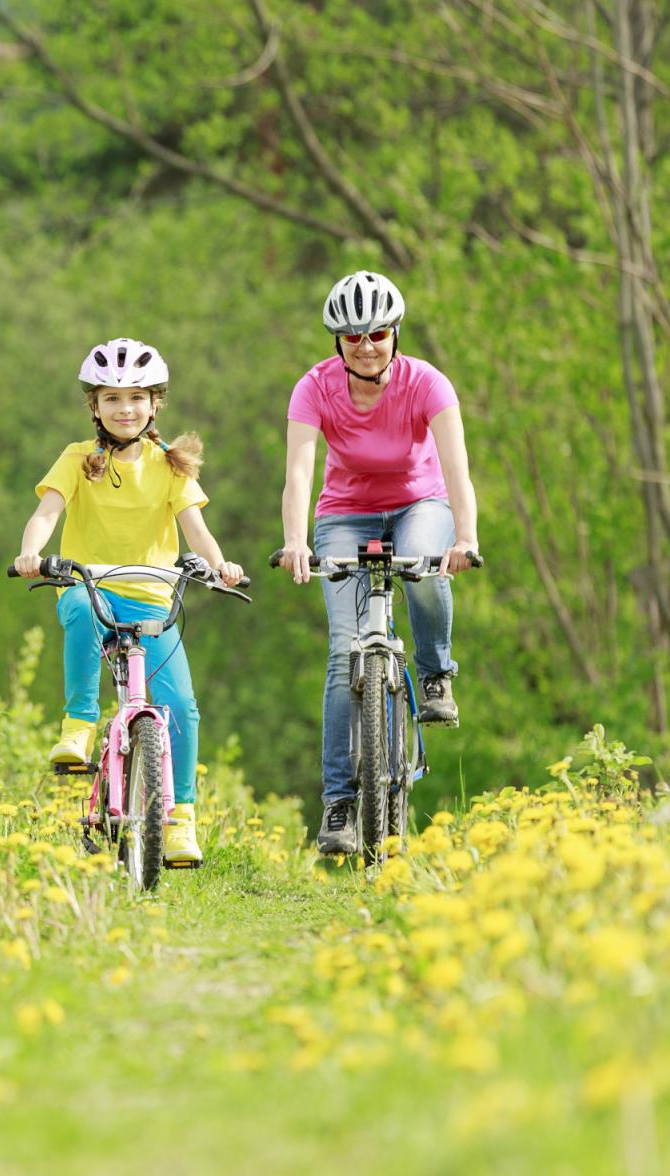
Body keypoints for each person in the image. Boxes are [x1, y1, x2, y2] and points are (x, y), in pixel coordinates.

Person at [14, 337, 244, 867]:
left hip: (152, 599)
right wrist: (32, 552)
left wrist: (221, 565)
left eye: (136, 397)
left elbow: (197, 532)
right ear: (94, 406)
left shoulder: (171, 465)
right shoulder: (77, 459)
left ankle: (180, 819)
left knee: (182, 706)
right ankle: (79, 724)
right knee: (75, 612)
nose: (125, 409)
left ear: (155, 403)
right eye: (112, 398)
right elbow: (47, 514)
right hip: (91, 586)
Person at [277, 272, 479, 856]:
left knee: (426, 573)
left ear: (396, 333)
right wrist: (295, 539)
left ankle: (436, 670)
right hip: (345, 513)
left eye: (378, 333)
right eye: (352, 335)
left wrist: (464, 536)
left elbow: (457, 467)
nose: (366, 345)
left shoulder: (427, 383)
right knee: (344, 653)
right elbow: (297, 473)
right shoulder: (314, 388)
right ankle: (339, 804)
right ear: (336, 341)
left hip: (421, 503)